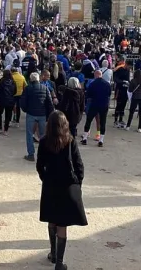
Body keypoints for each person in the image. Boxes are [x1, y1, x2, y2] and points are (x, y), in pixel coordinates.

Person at [36, 111, 87, 270]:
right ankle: (59, 262)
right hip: (67, 184)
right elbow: (79, 165)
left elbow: (39, 165)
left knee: (52, 219)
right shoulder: (70, 140)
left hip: (51, 183)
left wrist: (45, 178)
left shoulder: (44, 141)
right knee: (62, 224)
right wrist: (78, 183)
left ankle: (53, 252)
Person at [20, 72, 51, 162]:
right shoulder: (45, 88)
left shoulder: (28, 88)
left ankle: (31, 154)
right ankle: (43, 155)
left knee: (29, 134)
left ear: (30, 79)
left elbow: (23, 101)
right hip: (42, 114)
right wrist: (49, 114)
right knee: (43, 135)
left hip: (31, 113)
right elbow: (49, 102)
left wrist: (26, 110)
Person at [83, 70, 112, 146]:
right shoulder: (107, 84)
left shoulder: (92, 84)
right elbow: (109, 94)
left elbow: (88, 95)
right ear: (101, 75)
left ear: (95, 75)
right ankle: (101, 140)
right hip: (104, 105)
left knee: (88, 120)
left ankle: (85, 138)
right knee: (103, 122)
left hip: (94, 104)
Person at [0, 69, 16, 136]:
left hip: (2, 100)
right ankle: (6, 130)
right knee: (8, 115)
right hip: (10, 100)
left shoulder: (1, 81)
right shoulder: (13, 81)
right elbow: (15, 91)